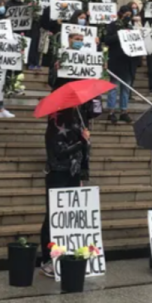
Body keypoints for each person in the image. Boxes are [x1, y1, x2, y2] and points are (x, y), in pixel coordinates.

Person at [39, 108, 90, 278]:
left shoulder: (77, 118)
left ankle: (66, 253)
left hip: (72, 173)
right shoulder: (55, 122)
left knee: (69, 216)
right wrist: (81, 141)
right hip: (58, 173)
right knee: (54, 216)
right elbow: (59, 152)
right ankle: (48, 258)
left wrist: (82, 173)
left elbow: (82, 151)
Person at [104, 5, 138, 123]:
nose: (128, 17)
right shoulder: (113, 25)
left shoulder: (132, 27)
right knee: (114, 87)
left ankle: (124, 110)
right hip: (116, 60)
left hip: (128, 61)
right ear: (121, 14)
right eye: (126, 15)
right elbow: (107, 40)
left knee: (126, 88)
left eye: (130, 15)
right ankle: (111, 111)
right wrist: (120, 34)